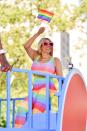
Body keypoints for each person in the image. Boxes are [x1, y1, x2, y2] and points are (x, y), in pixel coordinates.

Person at [14, 27, 63, 127]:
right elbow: (26, 46)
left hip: (47, 89)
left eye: (51, 44)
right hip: (35, 90)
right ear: (40, 46)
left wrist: (64, 93)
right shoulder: (36, 56)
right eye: (45, 43)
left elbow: (60, 78)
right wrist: (38, 33)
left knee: (36, 112)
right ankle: (18, 129)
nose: (48, 45)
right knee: (21, 108)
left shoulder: (55, 60)